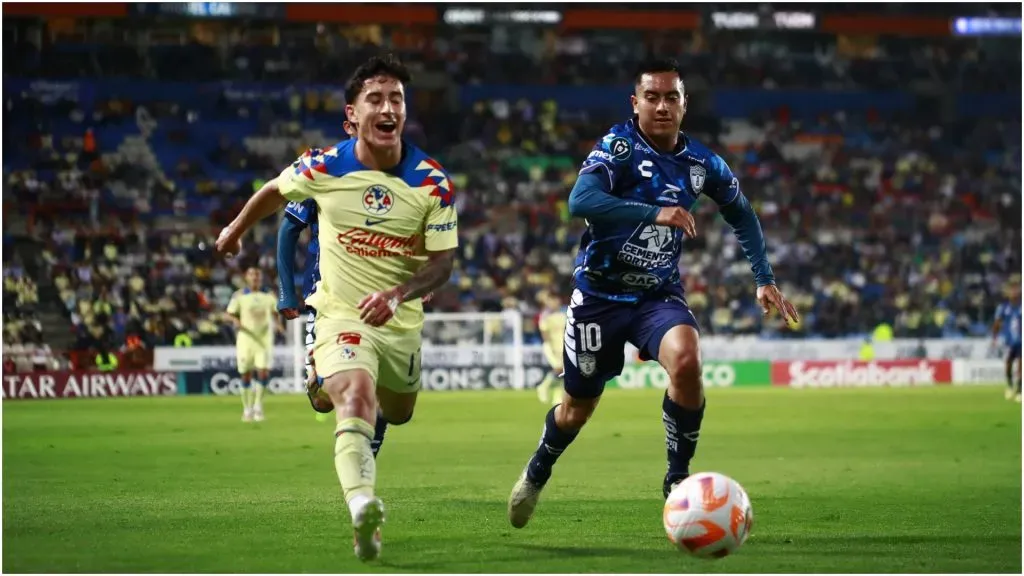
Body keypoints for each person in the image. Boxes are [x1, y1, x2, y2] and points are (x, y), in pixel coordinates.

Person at [506, 58, 799, 529]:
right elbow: (579, 201)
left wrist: (763, 277)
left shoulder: (703, 164)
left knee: (687, 361)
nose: (662, 106)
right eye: (653, 97)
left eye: (672, 97)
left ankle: (677, 482)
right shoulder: (618, 147)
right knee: (576, 410)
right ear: (636, 103)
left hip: (656, 297)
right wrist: (652, 213)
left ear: (684, 105)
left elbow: (741, 213)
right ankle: (539, 469)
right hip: (599, 297)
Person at [215, 54, 458, 562]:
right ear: (353, 115)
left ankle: (327, 384)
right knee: (354, 395)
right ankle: (362, 507)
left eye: (396, 99)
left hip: (400, 323)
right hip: (340, 314)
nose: (388, 107)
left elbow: (442, 265)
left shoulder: (432, 180)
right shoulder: (322, 166)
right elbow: (273, 195)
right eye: (376, 98)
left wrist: (398, 295)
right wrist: (235, 229)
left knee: (399, 411)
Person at [225, 266, 282, 422]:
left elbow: (275, 312)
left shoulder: (269, 295)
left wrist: (278, 324)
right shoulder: (239, 296)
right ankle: (247, 408)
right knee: (246, 374)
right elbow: (228, 314)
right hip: (246, 339)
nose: (255, 278)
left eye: (257, 275)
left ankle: (258, 406)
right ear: (246, 277)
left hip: (264, 339)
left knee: (263, 372)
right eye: (251, 275)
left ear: (261, 278)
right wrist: (235, 320)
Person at [991, 281, 1022, 402]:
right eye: (1012, 290)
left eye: (1016, 290)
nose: (1014, 293)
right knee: (1008, 364)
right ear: (1008, 293)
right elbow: (997, 323)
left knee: (1021, 365)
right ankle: (1009, 386)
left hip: (1022, 341)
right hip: (1009, 341)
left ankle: (1019, 390)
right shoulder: (1003, 307)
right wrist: (994, 337)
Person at [535, 291, 567, 405]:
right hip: (551, 347)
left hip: (564, 347)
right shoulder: (545, 316)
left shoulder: (564, 314)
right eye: (552, 301)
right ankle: (543, 387)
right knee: (559, 369)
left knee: (564, 373)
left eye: (556, 301)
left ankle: (557, 398)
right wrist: (550, 347)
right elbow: (545, 334)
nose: (555, 303)